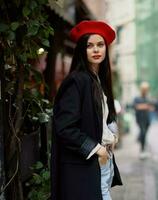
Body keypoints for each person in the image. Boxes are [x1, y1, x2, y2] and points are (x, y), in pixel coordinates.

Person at [51, 20, 122, 200]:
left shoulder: (98, 80)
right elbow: (65, 127)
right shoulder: (76, 81)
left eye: (100, 45)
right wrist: (97, 149)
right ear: (83, 50)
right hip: (84, 167)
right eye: (90, 46)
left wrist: (112, 132)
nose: (96, 50)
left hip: (103, 165)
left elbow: (102, 116)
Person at [133, 81, 153, 158]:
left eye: (146, 89)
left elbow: (151, 107)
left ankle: (143, 147)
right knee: (143, 133)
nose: (145, 90)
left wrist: (149, 107)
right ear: (141, 89)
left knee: (144, 134)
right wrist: (145, 106)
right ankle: (142, 150)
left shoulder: (147, 98)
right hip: (140, 119)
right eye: (144, 89)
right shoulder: (137, 98)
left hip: (147, 119)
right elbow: (136, 107)